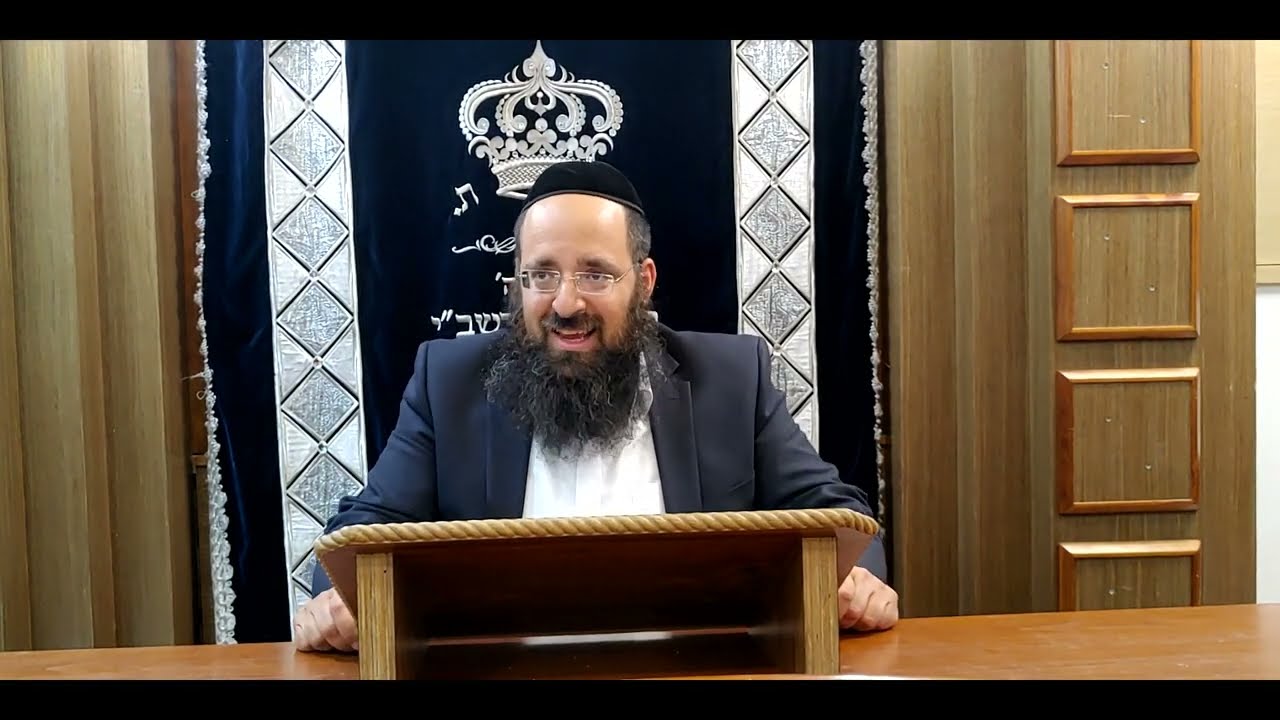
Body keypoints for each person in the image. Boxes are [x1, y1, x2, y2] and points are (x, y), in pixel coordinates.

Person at [293, 160, 898, 653]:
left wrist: (858, 580)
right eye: (541, 275)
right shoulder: (448, 382)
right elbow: (361, 531)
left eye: (595, 275)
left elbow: (838, 515)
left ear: (645, 281)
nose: (565, 304)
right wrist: (339, 599)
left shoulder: (731, 379)